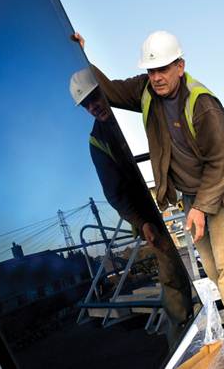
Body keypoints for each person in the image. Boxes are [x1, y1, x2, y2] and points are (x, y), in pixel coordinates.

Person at [73, 31, 224, 369]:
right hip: (192, 197)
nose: (157, 78)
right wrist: (84, 55)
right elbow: (109, 90)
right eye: (151, 71)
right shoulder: (145, 90)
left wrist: (200, 207)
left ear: (180, 66)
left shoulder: (202, 104)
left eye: (164, 70)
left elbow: (221, 160)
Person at [69, 68, 193, 343]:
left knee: (212, 263)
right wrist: (141, 222)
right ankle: (183, 342)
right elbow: (115, 193)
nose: (93, 107)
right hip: (151, 214)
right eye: (86, 104)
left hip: (186, 190)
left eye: (94, 97)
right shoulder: (98, 140)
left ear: (104, 88)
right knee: (172, 278)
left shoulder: (138, 103)